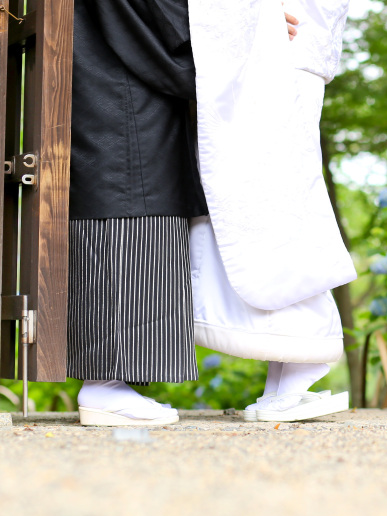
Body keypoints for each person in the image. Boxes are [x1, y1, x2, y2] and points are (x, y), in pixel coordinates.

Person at [69, 0, 300, 426]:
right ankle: (103, 387)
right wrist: (256, 25)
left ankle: (108, 386)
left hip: (110, 81)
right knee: (129, 206)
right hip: (116, 91)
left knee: (133, 203)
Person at [188, 0, 356, 422]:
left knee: (273, 196)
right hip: (261, 44)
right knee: (251, 194)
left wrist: (251, 17)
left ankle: (301, 359)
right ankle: (289, 368)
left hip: (282, 46)